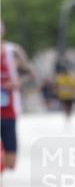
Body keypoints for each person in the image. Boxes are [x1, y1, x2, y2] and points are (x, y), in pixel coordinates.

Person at [0, 21, 35, 171]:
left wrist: (17, 83)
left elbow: (31, 74)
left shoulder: (12, 51)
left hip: (8, 109)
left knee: (10, 161)